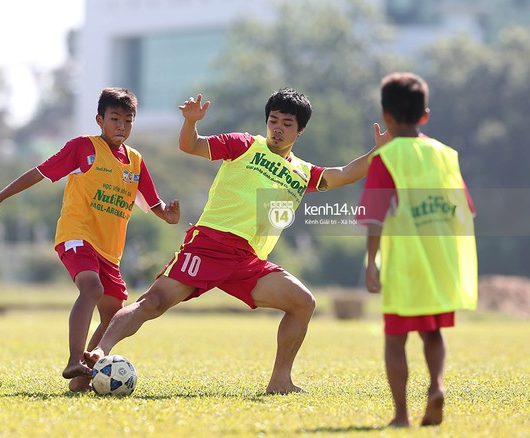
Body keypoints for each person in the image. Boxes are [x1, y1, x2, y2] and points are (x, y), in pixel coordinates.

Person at [85, 88, 390, 394]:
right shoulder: (243, 144)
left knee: (303, 303)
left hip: (248, 261)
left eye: (286, 123)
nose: (278, 128)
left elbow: (345, 174)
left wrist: (378, 152)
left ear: (300, 130)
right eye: (273, 120)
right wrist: (191, 122)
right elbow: (190, 145)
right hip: (209, 245)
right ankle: (100, 351)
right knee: (152, 303)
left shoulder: (302, 172)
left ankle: (280, 381)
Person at [0, 87, 180, 392]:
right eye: (115, 118)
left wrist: (169, 214)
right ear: (100, 120)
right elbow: (39, 172)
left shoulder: (135, 161)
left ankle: (84, 376)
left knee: (113, 313)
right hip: (77, 235)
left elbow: (155, 204)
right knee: (91, 288)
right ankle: (73, 360)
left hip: (110, 252)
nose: (121, 125)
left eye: (128, 120)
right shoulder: (84, 147)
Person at [357, 73, 477, 426]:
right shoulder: (445, 154)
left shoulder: (386, 158)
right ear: (425, 114)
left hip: (406, 264)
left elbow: (374, 217)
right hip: (442, 261)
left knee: (395, 338)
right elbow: (466, 208)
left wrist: (371, 263)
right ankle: (436, 386)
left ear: (386, 115)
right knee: (432, 331)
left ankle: (400, 415)